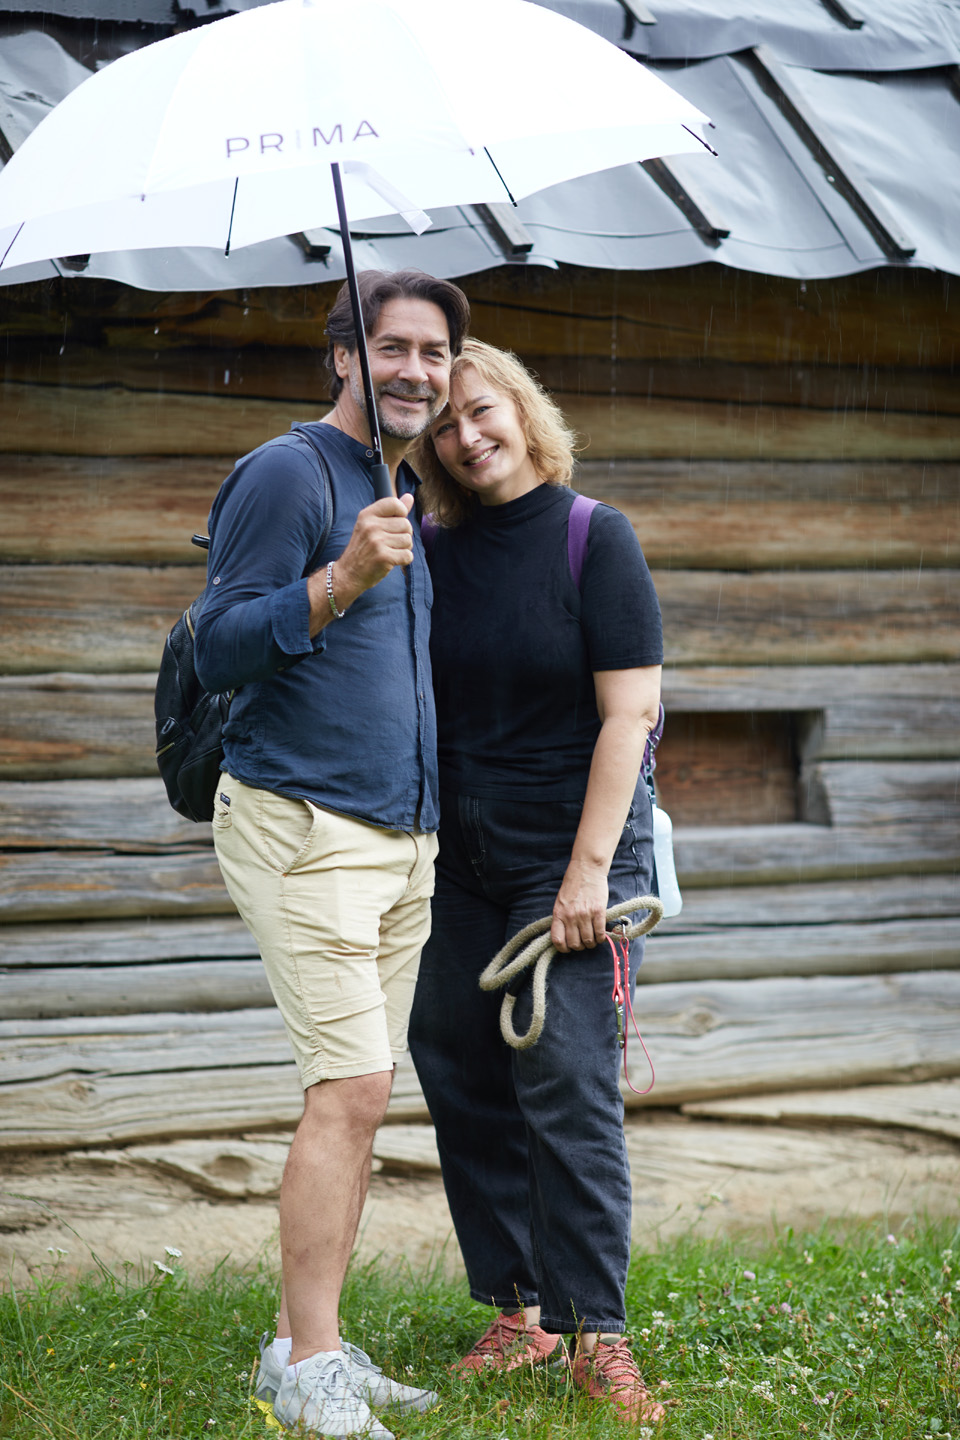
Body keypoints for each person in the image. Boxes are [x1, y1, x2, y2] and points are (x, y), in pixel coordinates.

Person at [194, 268, 470, 1440]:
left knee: (365, 1094)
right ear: (344, 355)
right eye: (390, 346)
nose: (414, 369)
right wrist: (344, 574)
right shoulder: (288, 472)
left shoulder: (401, 487)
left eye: (434, 352)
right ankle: (309, 1368)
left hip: (401, 839)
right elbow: (216, 645)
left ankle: (308, 1342)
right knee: (349, 1088)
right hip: (302, 823)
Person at [408, 340, 665, 1426]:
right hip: (457, 862)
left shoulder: (592, 536)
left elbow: (629, 714)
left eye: (482, 411)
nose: (467, 437)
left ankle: (597, 1332)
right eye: (443, 427)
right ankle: (521, 1315)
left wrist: (587, 874)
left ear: (524, 409)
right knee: (459, 1067)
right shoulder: (425, 549)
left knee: (564, 1081)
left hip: (572, 855)